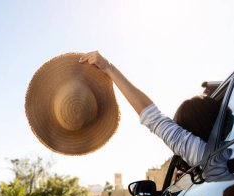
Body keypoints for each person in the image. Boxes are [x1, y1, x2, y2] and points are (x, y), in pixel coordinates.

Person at [78, 51, 221, 169]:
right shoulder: (231, 151)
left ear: (192, 134)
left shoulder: (208, 157)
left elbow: (153, 117)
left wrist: (108, 68)